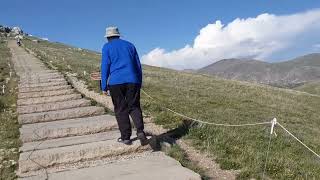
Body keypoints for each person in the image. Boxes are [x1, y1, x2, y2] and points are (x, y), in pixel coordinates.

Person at [100, 27, 148, 146]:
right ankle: (140, 131)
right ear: (118, 35)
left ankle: (126, 137)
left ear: (108, 37)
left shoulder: (107, 47)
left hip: (116, 82)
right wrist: (139, 82)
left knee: (120, 109)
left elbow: (105, 66)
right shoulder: (130, 45)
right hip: (133, 80)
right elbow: (138, 65)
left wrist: (103, 86)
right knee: (134, 106)